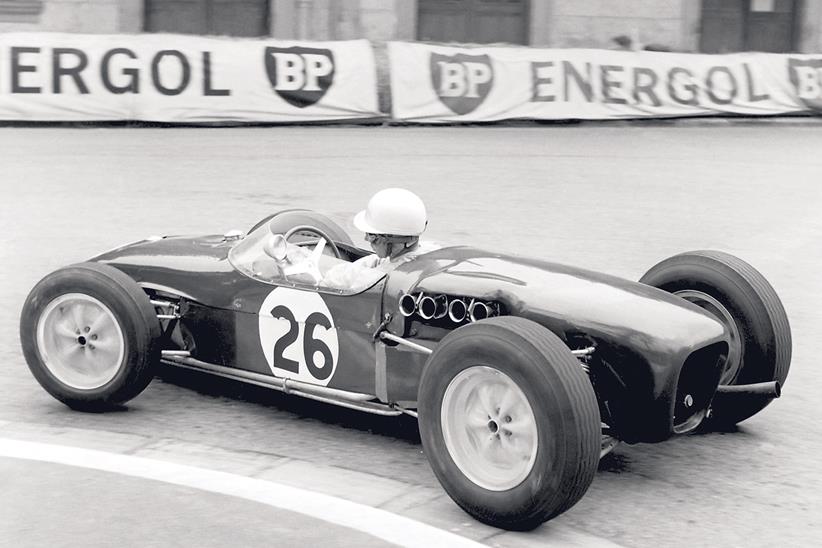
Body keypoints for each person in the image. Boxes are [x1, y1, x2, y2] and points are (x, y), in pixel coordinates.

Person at [323, 188, 432, 289]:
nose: (366, 239)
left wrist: (323, 279)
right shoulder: (429, 251)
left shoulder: (375, 279)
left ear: (391, 239)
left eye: (372, 235)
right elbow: (377, 260)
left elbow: (334, 283)